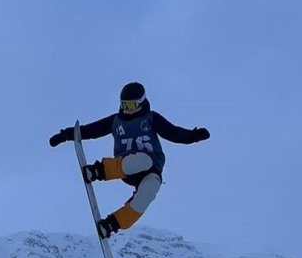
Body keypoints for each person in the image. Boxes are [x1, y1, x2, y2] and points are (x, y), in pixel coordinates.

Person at [49, 82, 210, 238]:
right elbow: (91, 130)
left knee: (151, 189)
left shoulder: (151, 118)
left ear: (141, 103)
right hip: (125, 166)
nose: (127, 110)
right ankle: (98, 171)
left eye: (131, 106)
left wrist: (194, 136)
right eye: (124, 105)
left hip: (151, 170)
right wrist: (65, 135)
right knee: (142, 160)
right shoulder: (116, 121)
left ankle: (112, 224)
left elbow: (173, 133)